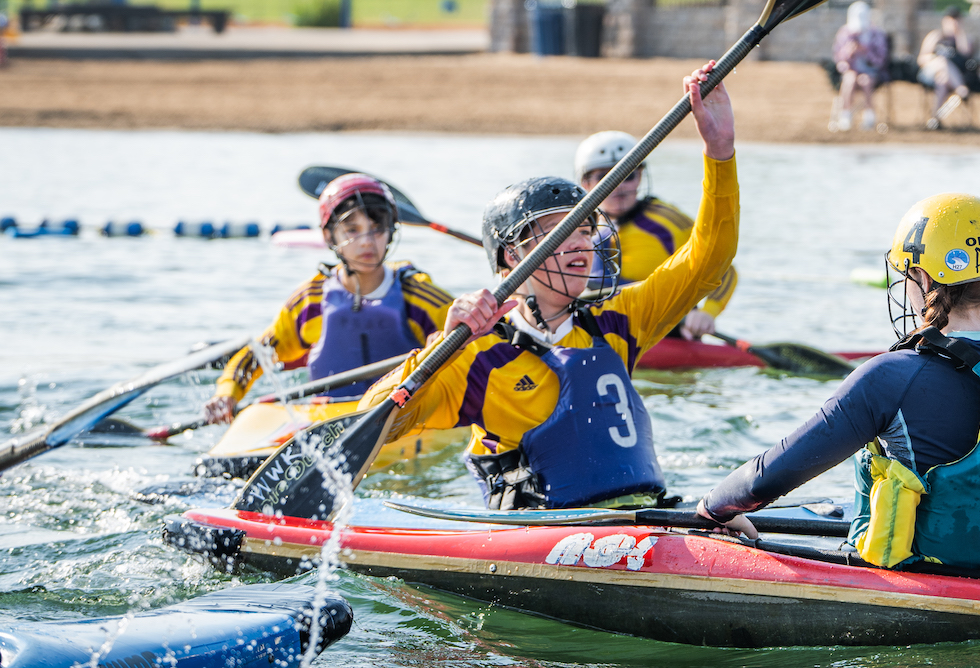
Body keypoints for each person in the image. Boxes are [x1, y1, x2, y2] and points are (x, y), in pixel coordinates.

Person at [694, 192, 980, 580]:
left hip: (914, 576)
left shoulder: (894, 374)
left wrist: (714, 510)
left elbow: (773, 474)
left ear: (926, 279)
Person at [359, 62, 740, 511]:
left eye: (583, 229)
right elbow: (375, 422)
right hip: (539, 539)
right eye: (558, 232)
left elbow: (710, 257)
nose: (580, 242)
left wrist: (720, 151)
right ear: (511, 258)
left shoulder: (621, 318)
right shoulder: (477, 356)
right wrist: (441, 346)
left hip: (643, 517)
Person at [202, 174, 453, 424]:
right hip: (326, 420)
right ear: (329, 237)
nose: (367, 242)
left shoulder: (419, 296)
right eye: (352, 230)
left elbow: (480, 343)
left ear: (390, 233)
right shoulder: (309, 301)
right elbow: (256, 355)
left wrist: (450, 346)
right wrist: (227, 395)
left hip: (402, 415)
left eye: (376, 229)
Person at [574, 130, 737, 340]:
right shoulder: (575, 228)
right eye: (604, 177)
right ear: (585, 183)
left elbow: (724, 268)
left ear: (640, 176)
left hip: (665, 332)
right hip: (597, 328)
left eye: (628, 176)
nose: (618, 186)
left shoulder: (670, 221)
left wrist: (708, 312)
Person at [917, 6, 977, 130]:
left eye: (956, 19)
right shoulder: (936, 36)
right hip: (930, 72)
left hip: (949, 77)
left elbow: (966, 55)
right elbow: (921, 58)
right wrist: (936, 60)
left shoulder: (963, 39)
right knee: (942, 61)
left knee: (942, 81)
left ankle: (935, 119)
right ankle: (961, 89)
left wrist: (959, 34)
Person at [832, 2, 889, 132]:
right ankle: (845, 116)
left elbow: (881, 60)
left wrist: (866, 51)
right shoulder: (845, 33)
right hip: (851, 71)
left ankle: (869, 117)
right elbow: (838, 59)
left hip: (871, 72)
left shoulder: (876, 33)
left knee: (866, 81)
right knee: (849, 80)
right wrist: (849, 53)